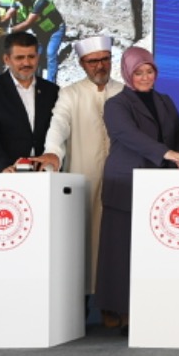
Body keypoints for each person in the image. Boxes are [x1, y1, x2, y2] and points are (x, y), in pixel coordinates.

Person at [96, 47, 179, 332]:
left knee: (153, 252)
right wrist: (166, 153)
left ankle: (150, 307)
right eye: (139, 72)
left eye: (150, 71)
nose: (146, 77)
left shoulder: (165, 100)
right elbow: (127, 135)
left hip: (159, 187)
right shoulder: (116, 104)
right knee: (121, 251)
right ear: (127, 73)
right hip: (126, 183)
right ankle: (120, 310)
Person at [38, 36, 122, 316]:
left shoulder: (125, 92)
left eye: (104, 59)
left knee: (116, 245)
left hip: (120, 183)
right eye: (93, 61)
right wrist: (52, 152)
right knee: (82, 244)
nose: (100, 66)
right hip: (84, 179)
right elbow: (58, 125)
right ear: (82, 63)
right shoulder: (70, 94)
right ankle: (77, 310)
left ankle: (114, 307)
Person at [0, 31, 58, 173]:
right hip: (2, 174)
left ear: (38, 57)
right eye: (19, 58)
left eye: (31, 57)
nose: (26, 63)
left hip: (41, 174)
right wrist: (3, 167)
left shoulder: (52, 91)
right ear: (6, 59)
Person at [8, 0, 67, 83]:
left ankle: (51, 83)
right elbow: (15, 19)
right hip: (41, 32)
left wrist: (8, 31)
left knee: (50, 53)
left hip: (56, 30)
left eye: (22, 0)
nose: (20, 2)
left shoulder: (41, 1)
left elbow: (28, 23)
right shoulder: (23, 4)